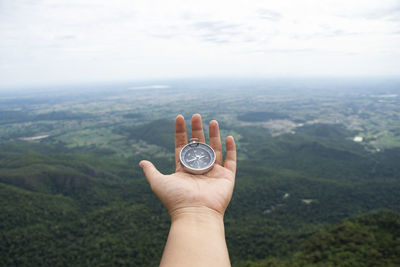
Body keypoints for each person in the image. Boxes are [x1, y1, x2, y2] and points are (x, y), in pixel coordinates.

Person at [139, 113, 237, 267]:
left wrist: (191, 213)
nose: (197, 158)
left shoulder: (193, 157)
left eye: (200, 157)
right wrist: (204, 212)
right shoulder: (203, 158)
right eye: (193, 158)